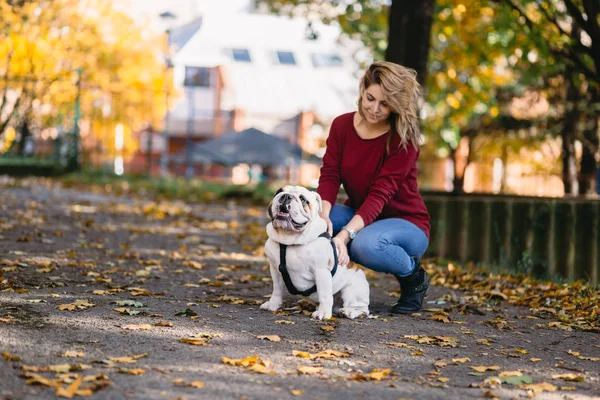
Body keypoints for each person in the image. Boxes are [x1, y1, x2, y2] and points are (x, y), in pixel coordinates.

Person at [316, 61, 431, 314]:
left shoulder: (403, 140)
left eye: (385, 104)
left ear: (396, 106)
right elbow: (330, 175)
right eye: (370, 98)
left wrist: (344, 235)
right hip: (362, 214)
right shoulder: (341, 126)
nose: (374, 109)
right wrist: (323, 214)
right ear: (362, 89)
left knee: (364, 244)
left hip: (406, 223)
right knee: (312, 219)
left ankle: (414, 277)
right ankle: (320, 281)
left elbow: (380, 194)